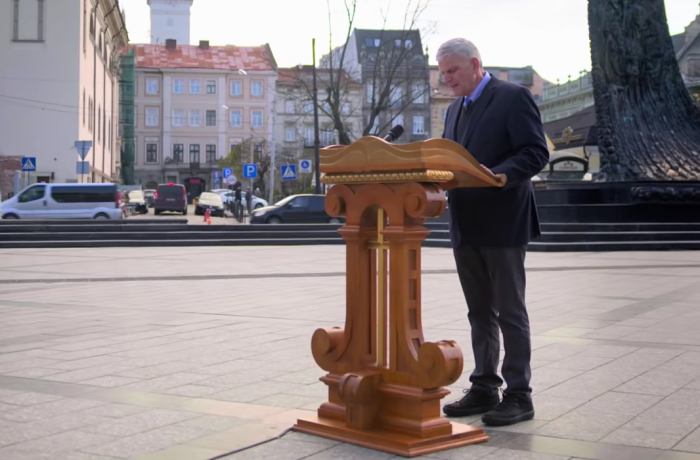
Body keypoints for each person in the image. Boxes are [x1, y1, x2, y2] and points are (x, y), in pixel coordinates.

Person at [436, 38, 549, 427]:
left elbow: (535, 152)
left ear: (475, 64)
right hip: (465, 222)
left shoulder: (512, 97)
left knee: (510, 311)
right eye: (443, 72)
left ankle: (519, 394)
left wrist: (501, 175)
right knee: (479, 311)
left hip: (502, 220)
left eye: (452, 71)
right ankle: (485, 386)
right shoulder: (453, 110)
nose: (446, 79)